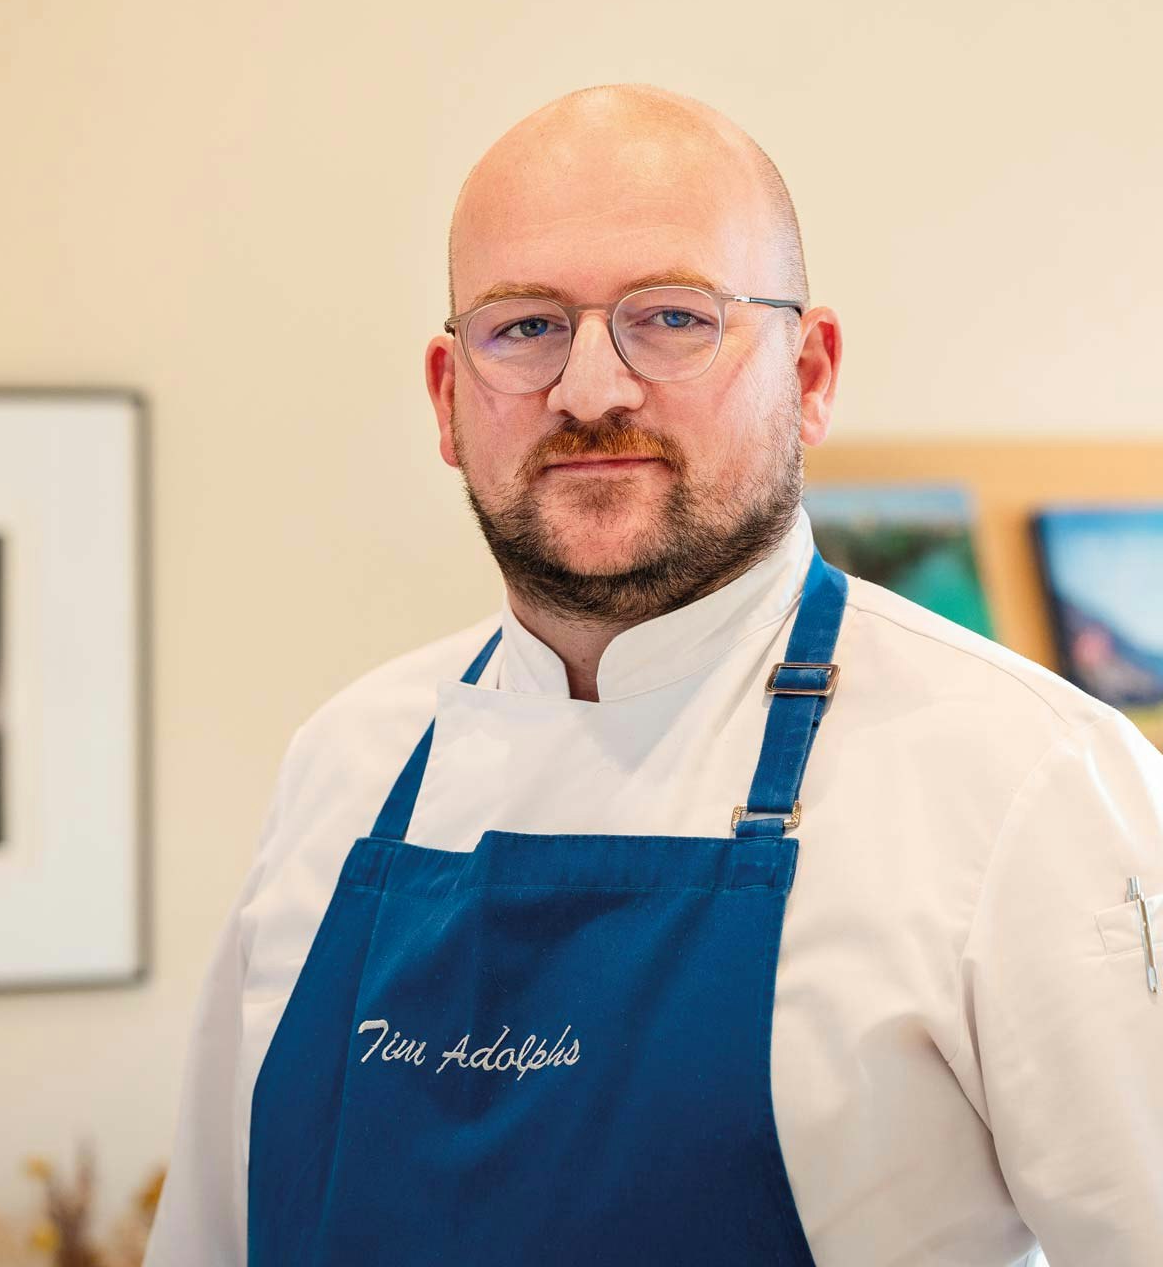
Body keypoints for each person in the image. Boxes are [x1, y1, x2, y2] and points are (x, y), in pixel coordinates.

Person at [143, 83, 1163, 1266]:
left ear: (811, 369)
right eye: (522, 325)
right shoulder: (344, 763)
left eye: (670, 316)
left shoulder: (1028, 783)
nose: (589, 388)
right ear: (446, 396)